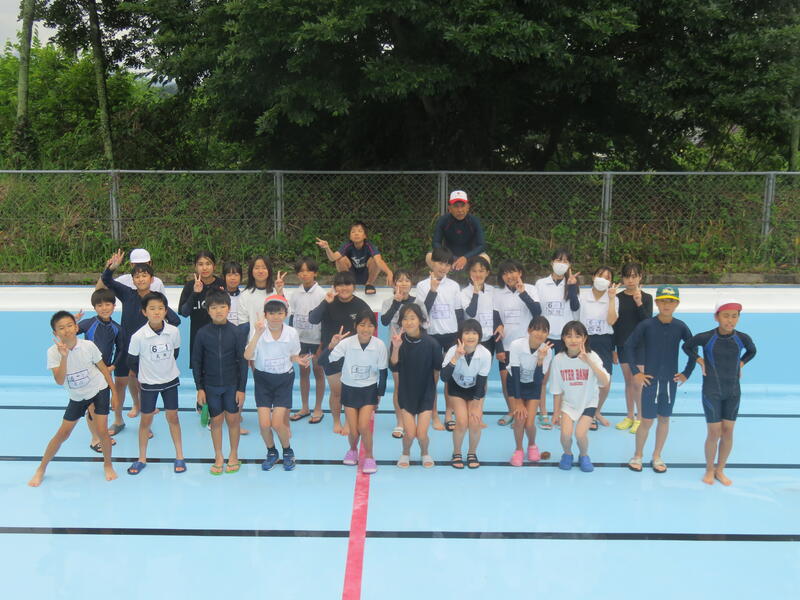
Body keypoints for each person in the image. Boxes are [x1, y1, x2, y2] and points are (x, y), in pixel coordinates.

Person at [28, 311, 119, 487]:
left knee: (102, 431)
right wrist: (64, 356)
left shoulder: (88, 346)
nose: (67, 330)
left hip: (99, 390)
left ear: (76, 327)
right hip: (77, 397)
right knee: (63, 434)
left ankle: (108, 465)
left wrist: (114, 393)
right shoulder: (53, 353)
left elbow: (103, 369)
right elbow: (59, 380)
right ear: (55, 333)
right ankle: (41, 469)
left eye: (70, 325)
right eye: (61, 328)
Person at [683, 299, 757, 486]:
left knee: (728, 431)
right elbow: (687, 346)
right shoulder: (707, 337)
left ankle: (720, 469)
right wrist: (700, 360)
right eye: (726, 316)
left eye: (734, 316)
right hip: (712, 390)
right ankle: (709, 469)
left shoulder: (742, 338)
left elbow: (752, 351)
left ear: (738, 318)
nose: (730, 320)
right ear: (716, 317)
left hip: (733, 391)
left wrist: (741, 363)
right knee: (714, 432)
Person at [101, 249, 180, 420]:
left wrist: (160, 335)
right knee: (120, 383)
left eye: (144, 276)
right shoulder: (127, 294)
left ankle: (146, 424)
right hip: (125, 346)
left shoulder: (155, 300)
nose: (141, 279)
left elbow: (175, 320)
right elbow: (107, 280)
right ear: (133, 280)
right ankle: (118, 420)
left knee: (142, 384)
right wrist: (111, 268)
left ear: (152, 279)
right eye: (137, 276)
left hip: (145, 350)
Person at [624, 285, 695, 474]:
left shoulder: (680, 326)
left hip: (670, 383)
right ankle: (638, 455)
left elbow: (692, 349)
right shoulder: (647, 325)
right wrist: (636, 372)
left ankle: (657, 455)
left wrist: (687, 372)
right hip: (651, 381)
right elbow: (628, 346)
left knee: (664, 419)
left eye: (671, 301)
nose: (666, 305)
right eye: (663, 301)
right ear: (656, 302)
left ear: (677, 304)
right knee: (646, 421)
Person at [244, 295, 310, 472]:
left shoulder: (291, 333)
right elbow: (247, 355)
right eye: (271, 313)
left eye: (280, 313)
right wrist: (257, 334)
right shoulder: (258, 331)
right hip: (263, 380)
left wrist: (299, 360)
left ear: (285, 314)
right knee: (264, 424)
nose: (275, 317)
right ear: (265, 314)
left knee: (277, 423)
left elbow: (293, 355)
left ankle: (287, 451)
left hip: (283, 380)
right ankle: (271, 452)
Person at [320, 309, 388, 474]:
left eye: (370, 325)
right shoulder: (347, 343)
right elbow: (323, 361)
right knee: (353, 428)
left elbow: (383, 372)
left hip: (369, 391)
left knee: (363, 426)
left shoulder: (379, 345)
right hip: (349, 390)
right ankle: (352, 450)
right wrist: (331, 345)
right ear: (356, 326)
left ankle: (369, 457)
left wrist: (379, 394)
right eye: (362, 325)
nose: (366, 329)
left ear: (375, 328)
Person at [125, 292, 185, 476]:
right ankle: (142, 458)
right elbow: (132, 361)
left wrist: (164, 370)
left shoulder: (173, 331)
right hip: (149, 384)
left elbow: (175, 353)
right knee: (146, 420)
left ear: (166, 311)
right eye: (152, 308)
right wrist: (147, 374)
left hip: (170, 381)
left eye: (160, 308)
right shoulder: (138, 336)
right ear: (144, 312)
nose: (157, 312)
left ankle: (180, 456)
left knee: (173, 418)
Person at [191, 290, 249, 475]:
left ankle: (233, 454)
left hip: (232, 386)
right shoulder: (202, 333)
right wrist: (200, 388)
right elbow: (197, 362)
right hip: (211, 386)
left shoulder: (237, 332)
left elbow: (243, 363)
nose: (218, 311)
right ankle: (218, 456)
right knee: (216, 421)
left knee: (233, 420)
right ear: (208, 310)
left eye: (222, 307)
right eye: (214, 308)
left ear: (229, 308)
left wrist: (241, 389)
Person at [308, 271, 372, 436]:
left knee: (351, 390)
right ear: (335, 287)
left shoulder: (361, 306)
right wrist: (325, 302)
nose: (344, 288)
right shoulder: (329, 302)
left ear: (354, 286)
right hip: (332, 352)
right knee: (336, 391)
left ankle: (350, 422)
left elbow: (369, 328)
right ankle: (337, 421)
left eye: (347, 284)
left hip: (354, 355)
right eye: (340, 285)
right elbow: (313, 319)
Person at [551, 321, 610, 472]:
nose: (573, 340)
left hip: (588, 402)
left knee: (580, 434)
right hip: (568, 403)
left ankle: (584, 455)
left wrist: (588, 361)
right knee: (565, 435)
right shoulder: (558, 359)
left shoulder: (592, 356)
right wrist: (556, 412)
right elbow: (557, 389)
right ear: (563, 338)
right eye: (569, 336)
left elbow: (604, 382)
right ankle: (567, 454)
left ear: (584, 338)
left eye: (578, 336)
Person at [415, 247, 464, 431]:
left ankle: (449, 414)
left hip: (451, 336)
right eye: (440, 263)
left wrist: (460, 336)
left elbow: (459, 312)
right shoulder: (422, 286)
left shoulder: (454, 286)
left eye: (447, 264)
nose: (443, 267)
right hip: (432, 336)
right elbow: (422, 313)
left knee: (449, 377)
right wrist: (432, 290)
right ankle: (434, 414)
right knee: (433, 378)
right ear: (432, 263)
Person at [533, 248, 580, 430]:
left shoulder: (572, 284)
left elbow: (575, 308)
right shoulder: (540, 284)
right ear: (552, 262)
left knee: (562, 378)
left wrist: (572, 287)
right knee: (543, 378)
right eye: (559, 260)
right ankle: (543, 412)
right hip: (545, 337)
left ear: (570, 265)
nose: (562, 264)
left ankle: (560, 413)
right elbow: (536, 310)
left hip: (563, 337)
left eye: (565, 261)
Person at [389, 304, 441, 468]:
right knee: (410, 434)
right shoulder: (398, 341)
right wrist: (396, 348)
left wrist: (431, 391)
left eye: (412, 318)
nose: (409, 322)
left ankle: (425, 453)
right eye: (405, 319)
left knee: (422, 434)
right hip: (406, 394)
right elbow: (393, 366)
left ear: (420, 320)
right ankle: (405, 453)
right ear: (401, 322)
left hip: (425, 394)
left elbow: (436, 371)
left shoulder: (432, 343)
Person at [380, 269, 427, 438]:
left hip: (416, 349)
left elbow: (425, 326)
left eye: (407, 280)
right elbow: (384, 321)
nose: (403, 283)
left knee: (415, 385)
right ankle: (400, 422)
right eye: (399, 280)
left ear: (411, 283)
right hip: (396, 349)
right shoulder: (388, 302)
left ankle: (412, 419)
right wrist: (396, 302)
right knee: (399, 386)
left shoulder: (418, 303)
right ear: (394, 284)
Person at [494, 259, 541, 427]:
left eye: (512, 271)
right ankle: (512, 411)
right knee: (506, 381)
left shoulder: (531, 289)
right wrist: (499, 348)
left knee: (525, 380)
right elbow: (496, 321)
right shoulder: (497, 293)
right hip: (506, 345)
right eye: (505, 273)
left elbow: (537, 313)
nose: (509, 276)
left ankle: (523, 413)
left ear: (520, 272)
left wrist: (523, 293)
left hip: (527, 346)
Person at [440, 319, 492, 469]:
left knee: (475, 421)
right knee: (462, 422)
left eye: (474, 333)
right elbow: (444, 377)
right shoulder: (452, 350)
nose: (470, 336)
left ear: (479, 336)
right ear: (460, 335)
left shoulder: (485, 354)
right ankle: (456, 453)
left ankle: (472, 453)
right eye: (467, 333)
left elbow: (482, 381)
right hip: (456, 389)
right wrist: (455, 358)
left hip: (475, 389)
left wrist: (476, 404)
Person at [76, 288, 124, 444]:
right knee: (91, 407)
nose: (104, 308)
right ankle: (95, 438)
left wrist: (113, 366)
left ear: (114, 306)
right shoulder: (89, 323)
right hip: (88, 371)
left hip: (105, 372)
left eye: (107, 304)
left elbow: (121, 349)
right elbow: (68, 333)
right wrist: (74, 321)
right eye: (100, 305)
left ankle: (102, 435)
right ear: (95, 307)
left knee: (102, 406)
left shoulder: (117, 328)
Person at [612, 262, 653, 434]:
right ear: (622, 278)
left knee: (638, 382)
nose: (630, 280)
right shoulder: (617, 298)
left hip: (640, 345)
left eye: (634, 276)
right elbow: (614, 325)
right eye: (627, 276)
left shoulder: (646, 298)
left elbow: (647, 322)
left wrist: (638, 302)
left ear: (640, 277)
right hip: (623, 345)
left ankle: (641, 417)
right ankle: (630, 416)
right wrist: (613, 348)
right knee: (628, 381)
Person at [508, 317, 554, 466]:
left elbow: (538, 380)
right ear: (529, 330)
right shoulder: (516, 345)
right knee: (519, 420)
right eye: (537, 329)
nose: (540, 334)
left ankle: (532, 445)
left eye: (544, 331)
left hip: (533, 387)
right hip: (516, 384)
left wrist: (540, 360)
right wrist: (518, 401)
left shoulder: (548, 351)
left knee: (529, 423)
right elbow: (515, 374)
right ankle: (518, 449)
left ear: (548, 334)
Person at [578, 266, 619, 429]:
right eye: (600, 275)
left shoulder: (613, 298)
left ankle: (596, 411)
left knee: (605, 381)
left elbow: (611, 321)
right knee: (585, 379)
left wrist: (611, 299)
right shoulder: (582, 296)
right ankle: (587, 413)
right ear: (594, 277)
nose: (603, 279)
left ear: (611, 282)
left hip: (604, 341)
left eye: (607, 277)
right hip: (585, 340)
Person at [288, 257, 328, 424]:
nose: (304, 274)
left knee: (318, 372)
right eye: (301, 271)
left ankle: (318, 408)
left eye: (308, 271)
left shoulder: (322, 294)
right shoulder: (295, 294)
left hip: (317, 341)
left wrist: (322, 344)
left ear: (315, 273)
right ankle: (304, 407)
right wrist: (292, 341)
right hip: (300, 341)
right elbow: (292, 317)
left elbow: (326, 320)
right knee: (303, 373)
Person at [316, 221, 394, 294]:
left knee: (374, 260)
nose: (356, 234)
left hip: (366, 275)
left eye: (360, 231)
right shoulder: (347, 245)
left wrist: (389, 272)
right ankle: (347, 283)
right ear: (350, 236)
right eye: (353, 232)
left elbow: (379, 261)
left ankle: (369, 284)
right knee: (340, 259)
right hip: (351, 275)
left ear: (365, 236)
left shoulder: (369, 246)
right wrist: (327, 248)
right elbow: (333, 258)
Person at [427, 190, 490, 271]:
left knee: (485, 258)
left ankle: (475, 278)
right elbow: (436, 242)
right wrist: (447, 257)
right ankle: (441, 277)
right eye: (456, 206)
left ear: (468, 207)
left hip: (470, 259)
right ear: (450, 208)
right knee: (429, 256)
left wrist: (465, 257)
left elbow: (481, 245)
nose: (460, 210)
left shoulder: (474, 221)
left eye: (462, 206)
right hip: (448, 260)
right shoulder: (443, 220)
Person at [178, 250, 225, 357]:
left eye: (208, 264)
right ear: (195, 267)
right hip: (197, 338)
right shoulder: (190, 286)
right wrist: (195, 293)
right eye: (200, 264)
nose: (204, 268)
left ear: (214, 266)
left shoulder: (221, 285)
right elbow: (184, 312)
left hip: (219, 337)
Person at [460, 255, 503, 359]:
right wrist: (475, 292)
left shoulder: (492, 290)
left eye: (481, 271)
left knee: (486, 368)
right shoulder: (464, 292)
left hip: (489, 339)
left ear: (487, 273)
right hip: (471, 339)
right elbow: (471, 312)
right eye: (474, 271)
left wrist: (501, 325)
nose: (477, 274)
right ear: (469, 272)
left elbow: (497, 313)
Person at [97, 247, 166, 294]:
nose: (140, 268)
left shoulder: (158, 283)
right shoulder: (123, 280)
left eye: (144, 264)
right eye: (137, 264)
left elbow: (163, 305)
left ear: (150, 263)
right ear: (131, 265)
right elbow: (99, 290)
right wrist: (108, 269)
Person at [222, 261, 244, 325]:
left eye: (236, 275)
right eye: (229, 275)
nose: (233, 278)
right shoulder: (219, 297)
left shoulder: (245, 296)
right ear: (224, 277)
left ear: (241, 277)